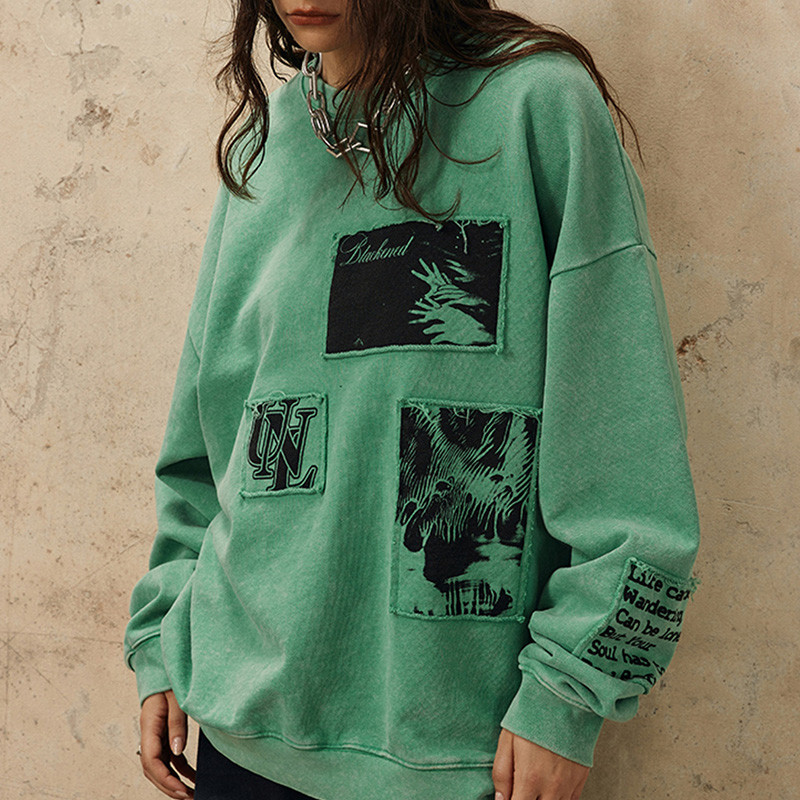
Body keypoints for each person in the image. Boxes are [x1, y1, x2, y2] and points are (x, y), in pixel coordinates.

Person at [123, 1, 703, 799]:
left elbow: (627, 450)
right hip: (239, 723)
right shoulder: (265, 144)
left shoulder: (534, 104)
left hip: (459, 752)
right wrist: (162, 633)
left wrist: (570, 691)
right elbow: (207, 436)